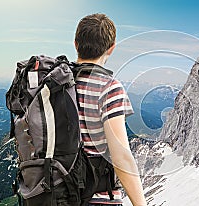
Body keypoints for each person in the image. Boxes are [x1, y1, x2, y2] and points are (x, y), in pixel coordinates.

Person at [73, 13, 147, 206]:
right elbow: (120, 156)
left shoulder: (56, 84)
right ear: (111, 48)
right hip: (97, 199)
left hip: (58, 195)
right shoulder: (109, 88)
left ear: (76, 44)